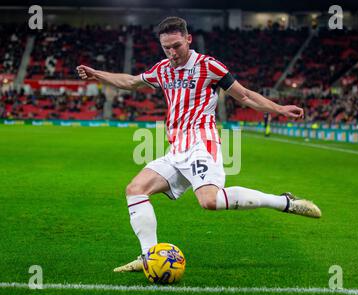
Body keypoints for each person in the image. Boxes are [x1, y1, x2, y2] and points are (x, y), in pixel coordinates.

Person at [77, 17, 321, 272]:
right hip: (176, 149)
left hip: (201, 143)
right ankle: (149, 257)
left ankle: (284, 202)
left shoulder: (209, 66)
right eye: (166, 48)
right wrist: (97, 74)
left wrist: (279, 108)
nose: (172, 53)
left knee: (209, 201)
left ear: (188, 39)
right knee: (135, 189)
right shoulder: (162, 69)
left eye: (177, 46)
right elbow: (130, 82)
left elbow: (245, 96)